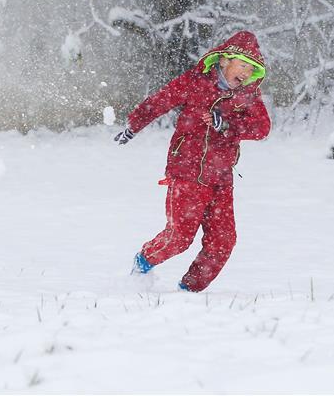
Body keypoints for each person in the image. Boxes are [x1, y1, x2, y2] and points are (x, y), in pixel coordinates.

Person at [114, 31, 270, 292]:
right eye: (242, 65)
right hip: (187, 172)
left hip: (220, 178)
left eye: (251, 69)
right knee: (179, 238)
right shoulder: (195, 82)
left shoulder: (247, 95)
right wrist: (133, 125)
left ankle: (189, 291)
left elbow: (262, 128)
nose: (246, 73)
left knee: (223, 241)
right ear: (224, 61)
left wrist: (228, 124)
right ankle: (143, 262)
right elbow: (160, 101)